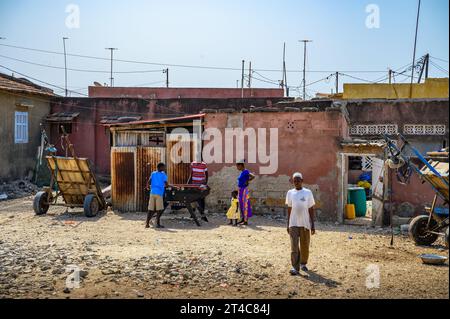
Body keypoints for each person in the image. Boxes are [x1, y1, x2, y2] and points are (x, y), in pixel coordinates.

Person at [285, 172, 316, 276]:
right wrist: (288, 223)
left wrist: (312, 224)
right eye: (295, 181)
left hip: (305, 224)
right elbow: (289, 208)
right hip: (293, 223)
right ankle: (295, 267)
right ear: (293, 182)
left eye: (298, 180)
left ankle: (303, 263)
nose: (296, 182)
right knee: (294, 246)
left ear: (302, 181)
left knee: (304, 245)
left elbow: (311, 208)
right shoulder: (290, 193)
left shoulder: (308, 192)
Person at [146, 163, 168, 229]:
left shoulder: (153, 173)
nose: (164, 168)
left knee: (150, 209)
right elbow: (166, 184)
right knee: (159, 209)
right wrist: (168, 186)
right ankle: (157, 224)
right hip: (159, 194)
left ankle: (147, 224)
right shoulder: (163, 174)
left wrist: (148, 187)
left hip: (152, 193)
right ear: (160, 167)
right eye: (163, 167)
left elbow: (149, 182)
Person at [236, 159, 255, 225]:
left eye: (237, 166)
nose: (237, 167)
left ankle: (245, 221)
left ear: (241, 165)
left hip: (244, 190)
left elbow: (253, 176)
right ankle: (243, 219)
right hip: (241, 190)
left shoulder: (246, 171)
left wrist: (247, 181)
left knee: (245, 205)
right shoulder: (242, 172)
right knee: (241, 205)